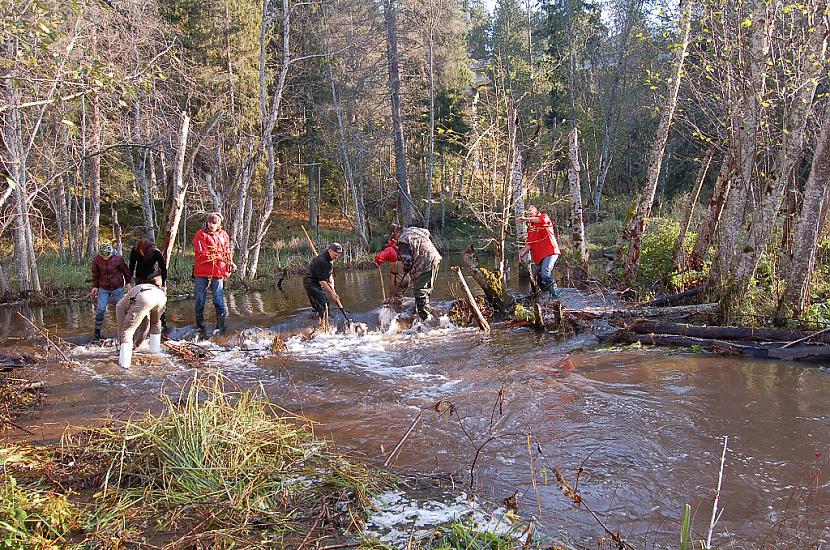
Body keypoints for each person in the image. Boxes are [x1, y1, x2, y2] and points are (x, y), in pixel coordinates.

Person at [192, 212, 235, 339]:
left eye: (215, 223)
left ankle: (220, 327)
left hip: (218, 271)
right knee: (200, 299)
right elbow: (202, 252)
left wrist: (230, 263)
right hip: (202, 271)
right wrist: (219, 256)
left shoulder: (224, 235)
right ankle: (200, 327)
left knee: (218, 299)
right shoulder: (200, 235)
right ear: (207, 222)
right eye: (210, 222)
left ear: (219, 224)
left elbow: (227, 251)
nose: (212, 225)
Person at [391, 226, 442, 321]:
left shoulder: (403, 239)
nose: (395, 240)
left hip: (424, 263)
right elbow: (427, 232)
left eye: (394, 237)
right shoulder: (414, 230)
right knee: (426, 290)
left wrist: (406, 269)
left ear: (396, 232)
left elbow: (407, 260)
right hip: (435, 257)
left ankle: (426, 320)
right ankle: (428, 314)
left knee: (419, 291)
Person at [115, 280, 167, 369]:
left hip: (144, 297)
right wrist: (137, 344)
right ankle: (155, 352)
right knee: (155, 323)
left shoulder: (120, 305)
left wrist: (122, 344)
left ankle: (124, 366)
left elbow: (122, 329)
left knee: (127, 332)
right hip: (161, 296)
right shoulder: (135, 299)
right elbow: (146, 326)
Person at [91, 242, 132, 341]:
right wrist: (95, 286)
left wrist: (129, 282)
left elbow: (125, 271)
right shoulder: (97, 260)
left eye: (107, 256)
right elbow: (95, 274)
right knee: (100, 309)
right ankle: (97, 332)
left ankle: (125, 332)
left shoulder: (118, 258)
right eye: (104, 257)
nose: (106, 258)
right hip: (103, 288)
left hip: (117, 287)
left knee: (121, 309)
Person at [518, 204, 561, 297]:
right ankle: (545, 296)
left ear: (536, 212)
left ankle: (556, 296)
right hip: (540, 255)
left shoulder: (543, 217)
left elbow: (540, 220)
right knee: (538, 277)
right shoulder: (530, 227)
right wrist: (522, 253)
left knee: (545, 274)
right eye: (528, 214)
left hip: (550, 252)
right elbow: (530, 243)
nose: (529, 215)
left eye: (531, 213)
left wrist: (526, 219)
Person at [304, 243, 343, 322]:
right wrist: (332, 294)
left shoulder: (330, 260)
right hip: (311, 283)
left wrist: (332, 285)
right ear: (330, 250)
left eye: (338, 255)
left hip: (317, 282)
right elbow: (322, 282)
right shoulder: (322, 260)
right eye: (335, 255)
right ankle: (324, 323)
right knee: (324, 302)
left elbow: (329, 275)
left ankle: (318, 319)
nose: (337, 257)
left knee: (319, 304)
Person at [374, 224, 405, 288]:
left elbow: (378, 259)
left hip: (397, 280)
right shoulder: (405, 247)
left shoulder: (390, 250)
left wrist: (378, 261)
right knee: (399, 296)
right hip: (406, 278)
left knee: (395, 296)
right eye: (398, 232)